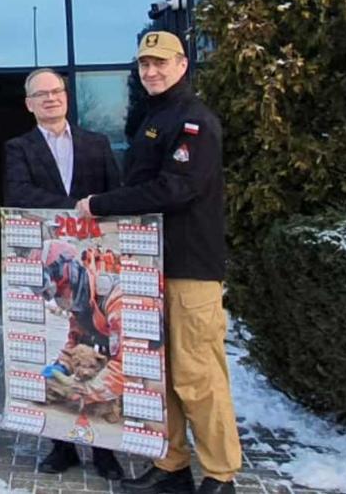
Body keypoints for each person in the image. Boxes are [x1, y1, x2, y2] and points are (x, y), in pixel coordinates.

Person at [75, 32, 236, 494]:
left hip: (189, 268)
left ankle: (221, 474)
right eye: (145, 64)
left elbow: (175, 189)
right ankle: (172, 466)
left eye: (161, 63)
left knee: (197, 375)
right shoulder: (155, 117)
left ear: (182, 65)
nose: (152, 72)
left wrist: (102, 204)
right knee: (159, 375)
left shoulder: (194, 121)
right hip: (149, 267)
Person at [4, 66, 126, 479]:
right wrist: (73, 209)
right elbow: (17, 192)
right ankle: (63, 447)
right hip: (53, 251)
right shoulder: (18, 148)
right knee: (66, 360)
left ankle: (106, 452)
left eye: (56, 92)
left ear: (67, 97)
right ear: (29, 104)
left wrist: (91, 210)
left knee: (103, 358)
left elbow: (114, 193)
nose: (50, 99)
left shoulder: (97, 143)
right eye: (41, 94)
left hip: (96, 257)